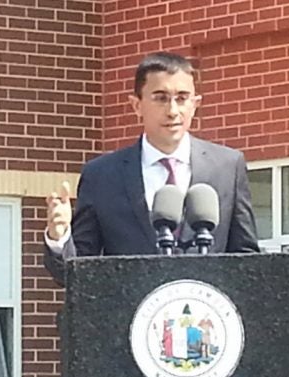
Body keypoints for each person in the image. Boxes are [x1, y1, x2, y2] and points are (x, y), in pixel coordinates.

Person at [43, 52, 259, 283]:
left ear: (195, 104)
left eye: (182, 97)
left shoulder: (227, 167)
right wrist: (60, 236)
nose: (173, 111)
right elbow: (77, 273)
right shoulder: (102, 175)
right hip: (131, 313)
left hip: (206, 313)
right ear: (137, 105)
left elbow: (246, 258)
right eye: (161, 98)